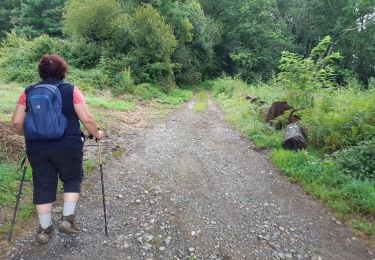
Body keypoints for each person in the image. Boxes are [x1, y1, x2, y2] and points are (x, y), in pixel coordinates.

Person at [12, 54, 103, 244]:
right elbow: (86, 119)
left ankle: (45, 230)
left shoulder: (28, 91)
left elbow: (17, 121)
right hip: (68, 144)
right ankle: (67, 220)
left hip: (37, 147)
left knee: (43, 185)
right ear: (63, 71)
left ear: (41, 71)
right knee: (72, 178)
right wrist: (97, 133)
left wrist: (26, 134)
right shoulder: (71, 90)